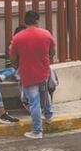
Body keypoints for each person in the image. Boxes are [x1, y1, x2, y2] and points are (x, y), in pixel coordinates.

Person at [8, 10, 55, 140]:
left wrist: (18, 67)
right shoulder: (46, 34)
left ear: (25, 21)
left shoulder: (18, 38)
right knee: (44, 94)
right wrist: (46, 61)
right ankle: (49, 115)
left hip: (27, 73)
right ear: (37, 21)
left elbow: (13, 58)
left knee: (34, 102)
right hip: (43, 71)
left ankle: (37, 131)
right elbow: (52, 51)